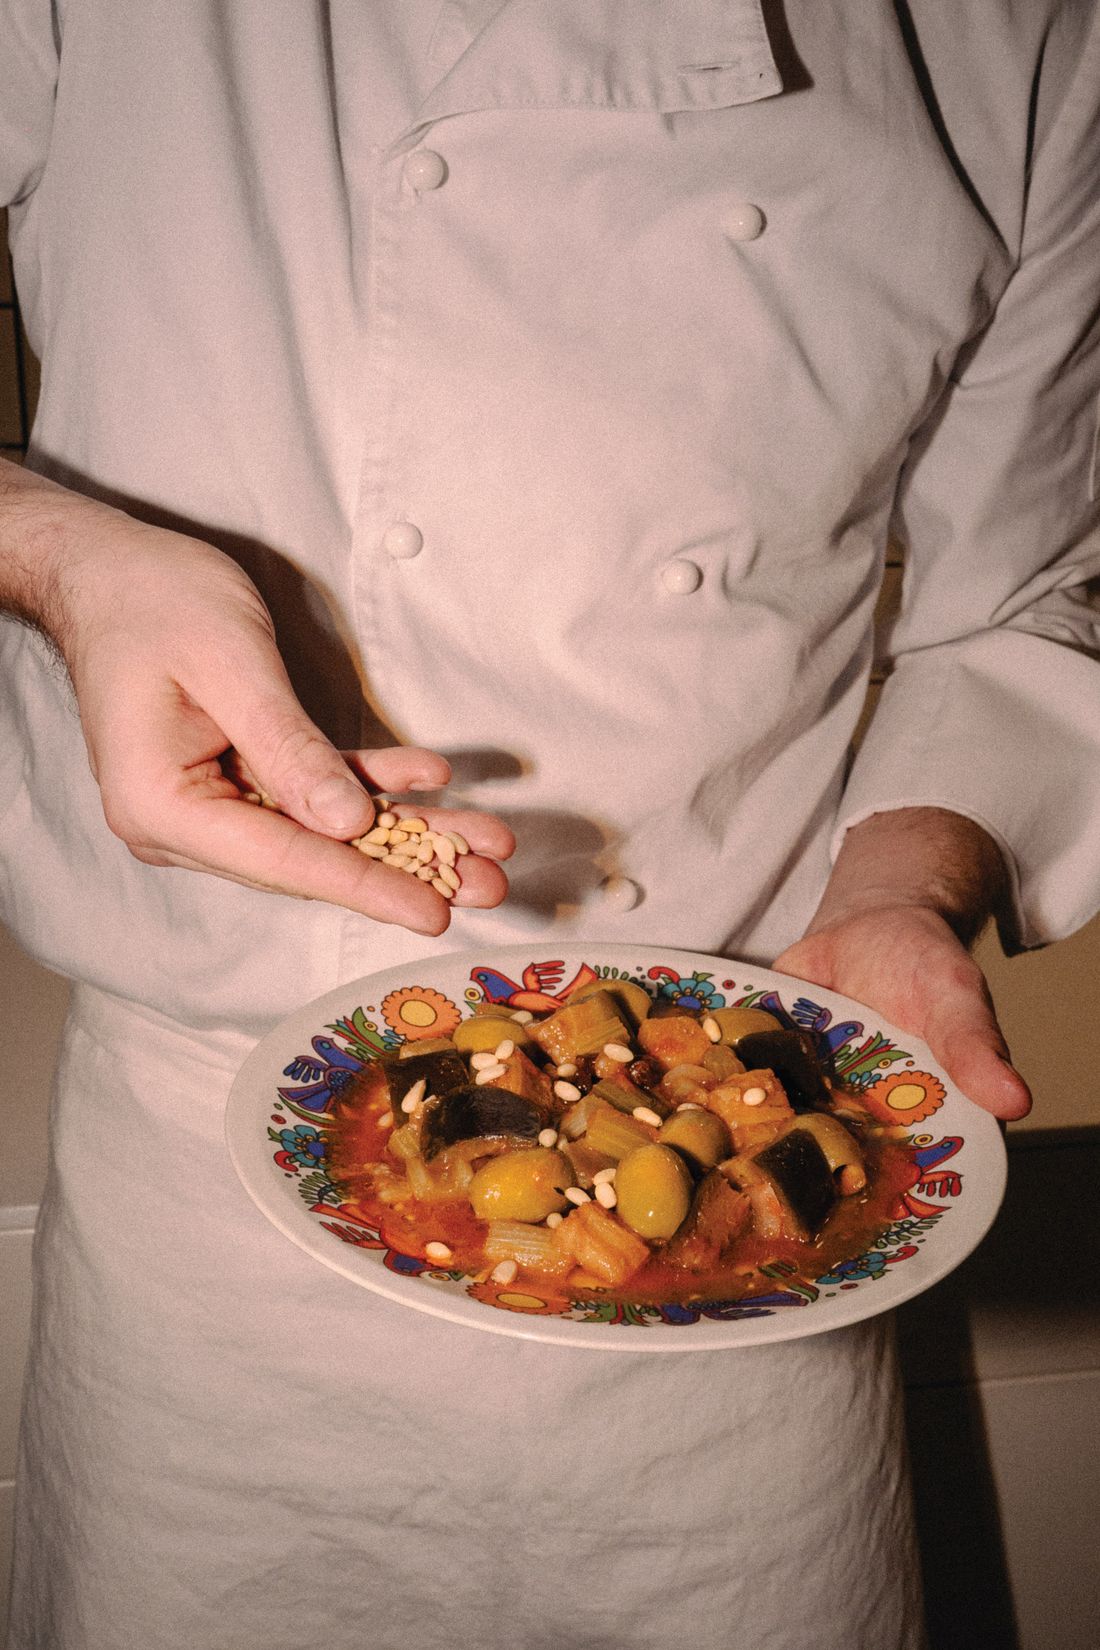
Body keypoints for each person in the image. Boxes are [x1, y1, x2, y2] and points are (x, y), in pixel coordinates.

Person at [2, 4, 1098, 1647]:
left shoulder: (1038, 35)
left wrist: (902, 885)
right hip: (207, 1225)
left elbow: (1004, 603)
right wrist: (52, 550)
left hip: (743, 1223)